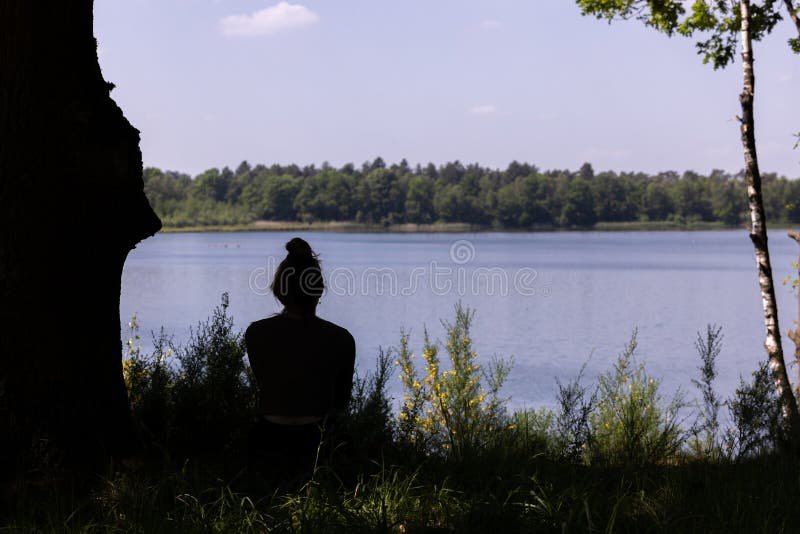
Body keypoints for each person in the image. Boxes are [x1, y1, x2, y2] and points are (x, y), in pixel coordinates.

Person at [245, 237, 355, 478]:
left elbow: (265, 384)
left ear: (279, 290)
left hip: (267, 439)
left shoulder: (256, 333)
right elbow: (341, 402)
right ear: (318, 291)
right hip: (317, 442)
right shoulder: (341, 338)